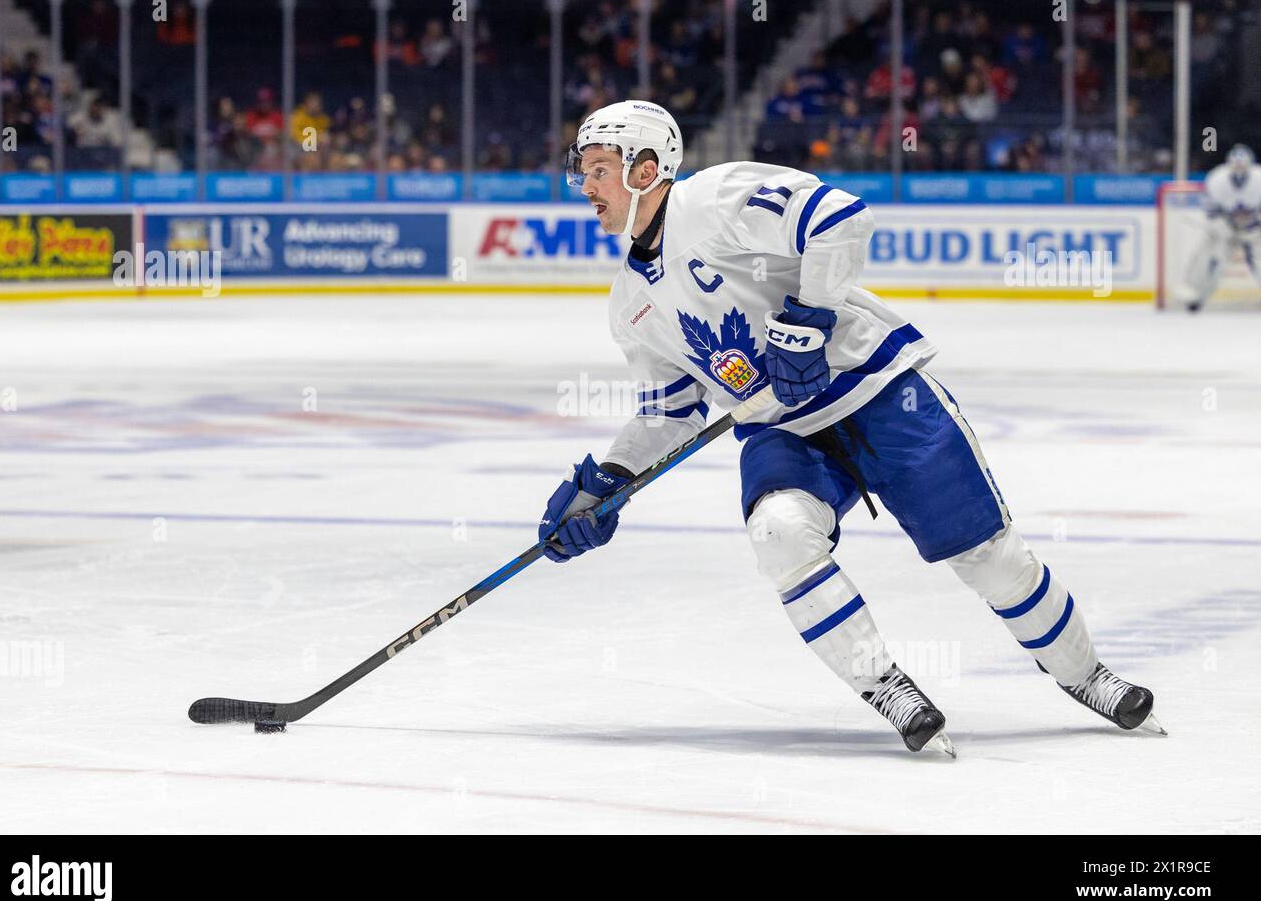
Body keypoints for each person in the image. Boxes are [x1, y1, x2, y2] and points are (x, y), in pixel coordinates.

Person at [538, 100, 1165, 755]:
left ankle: (1085, 673)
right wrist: (609, 482)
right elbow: (670, 410)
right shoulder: (630, 304)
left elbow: (838, 217)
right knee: (780, 534)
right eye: (583, 173)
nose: (585, 189)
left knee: (990, 560)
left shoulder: (714, 199)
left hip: (879, 391)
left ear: (646, 169)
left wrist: (808, 320)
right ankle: (888, 686)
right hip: (783, 429)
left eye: (599, 170)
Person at [1183, 144, 1261, 312]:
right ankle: (1197, 296)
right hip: (1227, 230)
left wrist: (1254, 221)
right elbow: (1211, 212)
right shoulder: (1217, 179)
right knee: (1214, 260)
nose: (1239, 169)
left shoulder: (1259, 178)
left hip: (1253, 230)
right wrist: (1223, 227)